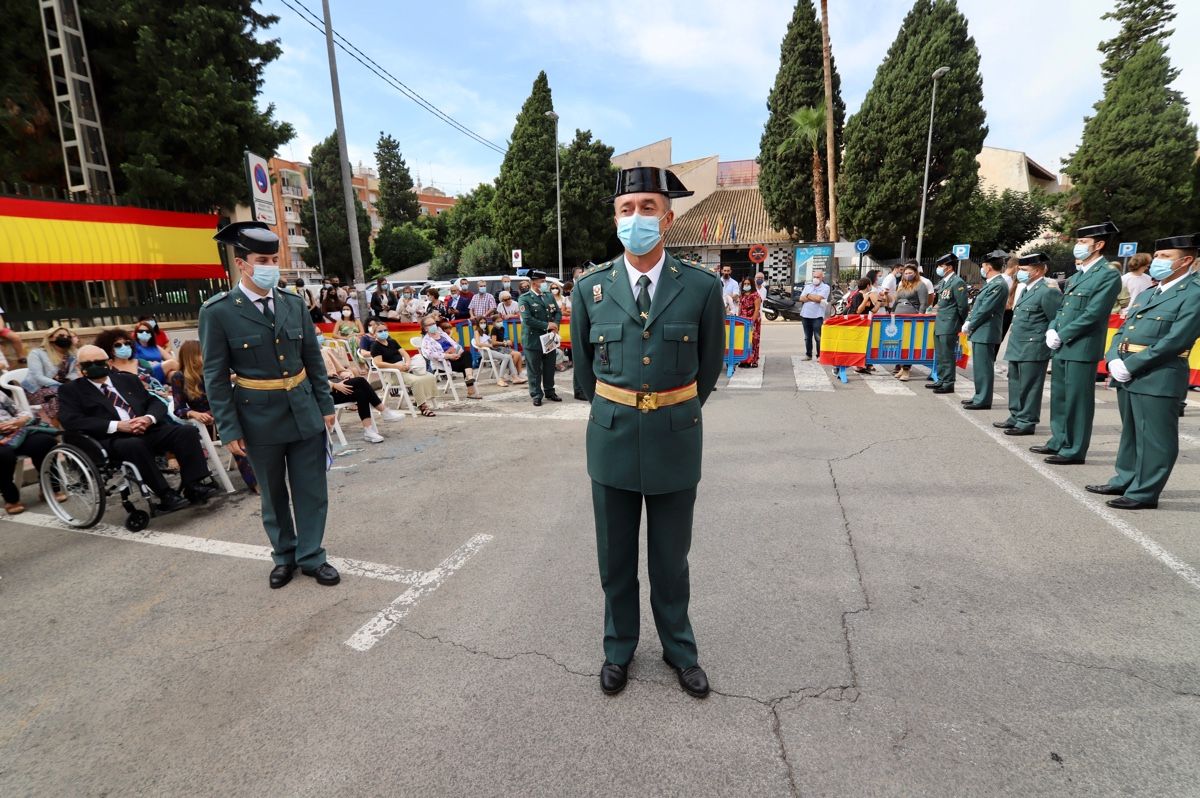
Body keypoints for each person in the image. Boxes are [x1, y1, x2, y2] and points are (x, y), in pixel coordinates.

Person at [571, 166, 725, 699]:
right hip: (610, 440)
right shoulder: (590, 289)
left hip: (676, 438)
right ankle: (618, 648)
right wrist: (622, 409)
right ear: (615, 219)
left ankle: (679, 648)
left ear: (668, 216)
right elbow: (585, 377)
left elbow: (708, 370)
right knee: (614, 559)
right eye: (626, 208)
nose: (636, 218)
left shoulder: (702, 288)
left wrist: (668, 407)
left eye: (647, 207)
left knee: (669, 560)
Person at [200, 221, 340, 589]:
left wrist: (326, 406)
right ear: (242, 263)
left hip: (304, 409)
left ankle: (312, 556)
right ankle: (284, 556)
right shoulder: (218, 311)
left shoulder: (293, 304)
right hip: (257, 417)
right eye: (263, 259)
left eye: (274, 259)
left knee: (311, 490)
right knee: (273, 494)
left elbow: (313, 359)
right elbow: (214, 377)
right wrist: (228, 427)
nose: (271, 266)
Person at [1086, 234, 1200, 509]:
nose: (1157, 261)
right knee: (1132, 432)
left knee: (1156, 438)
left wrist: (1130, 365)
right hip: (1128, 373)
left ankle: (1144, 492)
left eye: (1165, 257)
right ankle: (1125, 478)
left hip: (1159, 375)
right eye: (1157, 255)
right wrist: (1113, 359)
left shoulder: (1194, 293)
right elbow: (1123, 330)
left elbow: (1176, 340)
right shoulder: (1151, 291)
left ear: (1186, 261)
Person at [59, 344, 215, 512]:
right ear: (78, 367)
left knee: (186, 432)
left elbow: (154, 402)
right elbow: (71, 420)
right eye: (87, 364)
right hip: (111, 438)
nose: (94, 366)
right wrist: (117, 426)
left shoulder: (127, 379)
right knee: (134, 445)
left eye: (98, 362)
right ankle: (165, 494)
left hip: (146, 428)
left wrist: (148, 418)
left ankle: (194, 484)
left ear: (109, 362)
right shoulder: (71, 390)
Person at [1033, 221, 1123, 465]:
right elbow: (1062, 309)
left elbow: (1094, 313)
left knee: (1078, 401)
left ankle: (1074, 449)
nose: (1078, 246)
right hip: (1063, 345)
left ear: (1099, 245)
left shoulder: (1107, 275)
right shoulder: (1078, 276)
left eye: (1083, 242)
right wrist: (1052, 329)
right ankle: (1058, 439)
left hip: (1082, 346)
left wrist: (1063, 334)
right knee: (1060, 396)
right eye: (1078, 241)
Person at [170, 340, 258, 492]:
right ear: (192, 357)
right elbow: (178, 409)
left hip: (229, 415)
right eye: (201, 353)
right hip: (209, 424)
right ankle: (256, 484)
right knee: (236, 435)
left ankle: (265, 476)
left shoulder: (214, 370)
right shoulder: (179, 377)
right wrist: (193, 413)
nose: (207, 355)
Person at [994, 253, 1062, 437]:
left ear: (1038, 270)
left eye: (1024, 270)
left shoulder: (1047, 290)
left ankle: (1027, 420)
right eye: (1020, 269)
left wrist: (1049, 337)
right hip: (1018, 344)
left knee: (1030, 385)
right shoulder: (1026, 289)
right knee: (1015, 382)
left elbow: (1056, 318)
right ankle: (1016, 415)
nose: (1020, 273)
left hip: (1033, 346)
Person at [320, 340, 405, 441]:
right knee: (360, 381)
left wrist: (346, 374)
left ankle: (368, 431)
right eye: (315, 335)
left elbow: (340, 370)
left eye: (319, 333)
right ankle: (384, 411)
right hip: (324, 392)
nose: (318, 337)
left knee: (361, 393)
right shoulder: (304, 357)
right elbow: (311, 381)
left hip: (337, 382)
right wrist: (334, 385)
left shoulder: (325, 351)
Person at [960, 251, 1010, 409]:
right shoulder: (992, 284)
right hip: (981, 330)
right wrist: (969, 320)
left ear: (988, 267)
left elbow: (985, 309)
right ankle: (978, 395)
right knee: (979, 367)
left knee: (984, 367)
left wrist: (970, 323)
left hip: (986, 330)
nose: (982, 269)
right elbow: (977, 307)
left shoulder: (998, 285)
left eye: (982, 266)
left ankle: (983, 399)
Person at [0, 392, 57, 515]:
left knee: (46, 442)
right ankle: (11, 499)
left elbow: (21, 412)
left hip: (15, 433)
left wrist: (19, 421)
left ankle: (49, 487)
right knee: (4, 456)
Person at [369, 324, 439, 416]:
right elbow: (378, 363)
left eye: (385, 330)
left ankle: (419, 400)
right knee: (416, 381)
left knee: (429, 376)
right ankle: (423, 407)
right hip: (392, 374)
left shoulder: (392, 341)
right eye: (380, 331)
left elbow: (405, 354)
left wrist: (407, 363)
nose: (384, 333)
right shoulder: (375, 346)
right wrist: (397, 367)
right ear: (374, 334)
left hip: (404, 368)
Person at [93, 328, 171, 407]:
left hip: (159, 402)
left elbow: (155, 383)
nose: (124, 347)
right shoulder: (108, 369)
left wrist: (162, 391)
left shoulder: (142, 363)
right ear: (108, 348)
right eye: (118, 345)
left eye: (127, 343)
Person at [518, 270, 562, 406]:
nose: (544, 284)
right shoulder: (525, 298)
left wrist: (555, 325)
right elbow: (527, 319)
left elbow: (558, 312)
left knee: (549, 367)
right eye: (542, 282)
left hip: (549, 338)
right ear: (534, 282)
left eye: (545, 281)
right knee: (534, 369)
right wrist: (547, 325)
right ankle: (536, 394)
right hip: (533, 339)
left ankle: (550, 391)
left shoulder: (548, 296)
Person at [927, 253, 969, 394]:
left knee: (947, 354)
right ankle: (941, 379)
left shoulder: (957, 282)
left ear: (949, 267)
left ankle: (948, 382)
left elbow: (962, 306)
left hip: (950, 323)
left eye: (941, 266)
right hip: (940, 322)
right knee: (940, 354)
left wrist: (960, 322)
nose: (939, 268)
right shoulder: (944, 282)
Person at [21, 326, 80, 425]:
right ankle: (56, 429)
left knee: (79, 392)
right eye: (61, 335)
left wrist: (74, 383)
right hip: (35, 389)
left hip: (60, 387)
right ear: (51, 337)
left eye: (68, 336)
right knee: (56, 397)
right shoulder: (37, 353)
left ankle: (75, 424)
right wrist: (60, 386)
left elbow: (72, 373)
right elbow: (38, 377)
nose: (65, 338)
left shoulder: (71, 356)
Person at [419, 316, 482, 400]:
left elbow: (456, 345)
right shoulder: (426, 341)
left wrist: (456, 353)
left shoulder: (443, 334)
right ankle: (470, 388)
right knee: (466, 364)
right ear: (425, 328)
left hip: (455, 357)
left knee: (466, 354)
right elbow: (429, 354)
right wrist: (448, 355)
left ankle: (469, 377)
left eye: (434, 323)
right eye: (430, 324)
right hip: (445, 362)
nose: (433, 325)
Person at [890, 264, 929, 381]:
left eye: (910, 273)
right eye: (905, 273)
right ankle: (902, 367)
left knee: (908, 344)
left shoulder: (921, 285)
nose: (907, 275)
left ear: (915, 273)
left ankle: (906, 369)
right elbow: (896, 301)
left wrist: (920, 316)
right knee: (899, 343)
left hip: (912, 318)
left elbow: (923, 303)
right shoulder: (901, 285)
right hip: (898, 317)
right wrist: (892, 313)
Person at [472, 316, 526, 387]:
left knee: (509, 356)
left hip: (490, 351)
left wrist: (503, 342)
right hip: (486, 352)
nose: (483, 324)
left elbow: (489, 341)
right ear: (478, 324)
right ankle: (500, 379)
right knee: (506, 357)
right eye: (481, 323)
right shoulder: (477, 331)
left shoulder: (484, 332)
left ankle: (514, 377)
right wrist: (490, 345)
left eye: (484, 322)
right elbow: (478, 343)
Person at [796, 269, 830, 361]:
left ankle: (819, 355)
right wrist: (812, 297)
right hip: (806, 314)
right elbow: (801, 298)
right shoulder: (808, 286)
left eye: (818, 277)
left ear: (822, 277)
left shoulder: (825, 287)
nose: (815, 279)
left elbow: (819, 299)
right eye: (814, 277)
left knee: (818, 337)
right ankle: (808, 354)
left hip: (817, 315)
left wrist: (808, 296)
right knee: (807, 337)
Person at [737, 278, 762, 368]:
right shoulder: (742, 295)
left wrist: (752, 321)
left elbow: (757, 309)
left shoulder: (755, 295)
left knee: (753, 341)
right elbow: (740, 307)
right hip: (742, 320)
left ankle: (754, 360)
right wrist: (738, 317)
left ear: (752, 284)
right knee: (742, 341)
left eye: (748, 284)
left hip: (752, 320)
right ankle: (744, 361)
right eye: (745, 284)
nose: (746, 285)